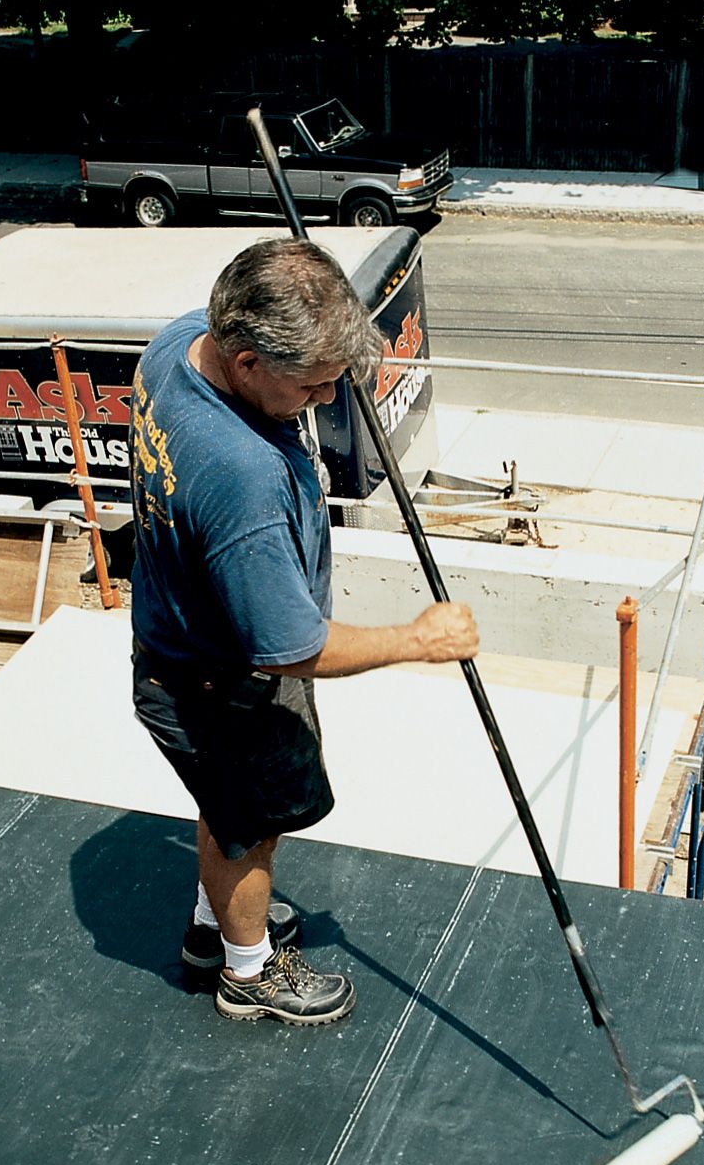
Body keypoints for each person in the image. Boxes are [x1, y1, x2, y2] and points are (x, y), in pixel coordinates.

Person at [128, 238, 478, 1026]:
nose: (327, 398)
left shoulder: (180, 341)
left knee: (229, 811)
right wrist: (419, 641)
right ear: (248, 361)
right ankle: (250, 975)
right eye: (314, 384)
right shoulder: (241, 479)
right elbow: (296, 649)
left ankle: (213, 930)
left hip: (181, 647)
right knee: (249, 828)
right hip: (222, 682)